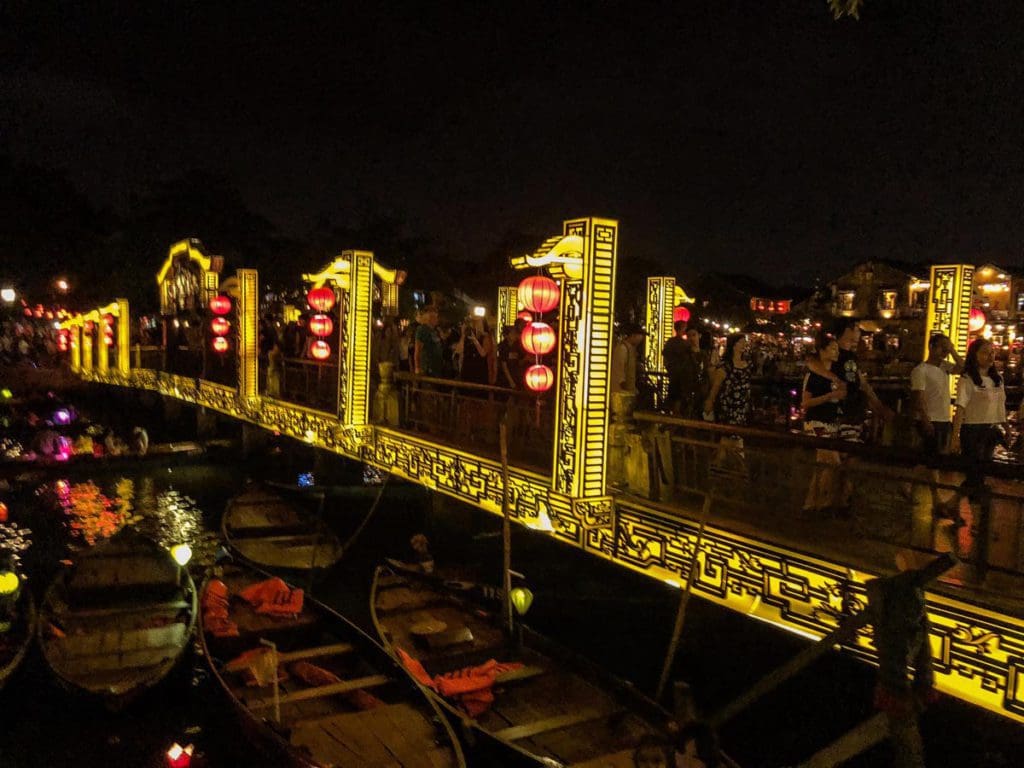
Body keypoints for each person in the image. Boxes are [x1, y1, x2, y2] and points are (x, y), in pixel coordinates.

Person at [806, 318, 893, 441]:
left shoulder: (850, 356)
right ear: (848, 330)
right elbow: (810, 362)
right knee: (832, 454)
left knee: (846, 453)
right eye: (857, 329)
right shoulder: (832, 353)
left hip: (850, 414)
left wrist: (878, 406)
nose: (860, 333)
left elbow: (861, 383)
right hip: (830, 414)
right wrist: (835, 379)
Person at [801, 330, 849, 514]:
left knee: (822, 464)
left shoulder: (834, 373)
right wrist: (830, 396)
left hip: (830, 421)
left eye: (837, 348)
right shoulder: (814, 375)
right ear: (822, 350)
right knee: (832, 462)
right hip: (816, 422)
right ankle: (823, 502)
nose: (837, 352)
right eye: (833, 348)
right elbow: (805, 403)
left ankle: (812, 502)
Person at [951, 338, 1007, 483]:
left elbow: (1000, 406)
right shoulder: (968, 379)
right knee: (974, 472)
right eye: (985, 353)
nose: (990, 356)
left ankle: (966, 500)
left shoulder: (997, 379)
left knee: (983, 471)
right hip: (973, 430)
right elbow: (960, 408)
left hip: (990, 429)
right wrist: (955, 436)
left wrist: (1006, 427)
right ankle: (973, 500)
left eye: (992, 353)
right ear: (974, 355)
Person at [910, 333, 963, 456]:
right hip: (930, 419)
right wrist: (925, 419)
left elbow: (963, 368)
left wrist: (952, 350)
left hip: (944, 418)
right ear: (931, 347)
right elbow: (919, 396)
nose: (945, 351)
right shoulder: (920, 370)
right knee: (930, 456)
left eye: (947, 347)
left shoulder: (944, 366)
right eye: (942, 347)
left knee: (941, 457)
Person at [704, 334, 751, 426]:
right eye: (741, 342)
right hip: (729, 403)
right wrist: (710, 400)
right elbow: (716, 385)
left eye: (744, 342)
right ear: (733, 345)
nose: (744, 345)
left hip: (742, 403)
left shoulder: (747, 363)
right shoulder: (726, 365)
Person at [458, 316, 496, 386]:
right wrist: (463, 335)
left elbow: (483, 353)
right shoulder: (470, 335)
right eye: (474, 323)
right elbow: (459, 351)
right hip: (467, 373)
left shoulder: (486, 337)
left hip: (480, 374)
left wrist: (475, 341)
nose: (476, 325)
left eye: (478, 323)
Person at [611, 323, 646, 395]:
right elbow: (619, 369)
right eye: (640, 335)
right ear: (633, 335)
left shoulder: (630, 349)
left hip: (627, 390)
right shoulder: (623, 349)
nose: (642, 338)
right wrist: (623, 384)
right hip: (621, 392)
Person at [413, 306, 443, 377]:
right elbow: (417, 350)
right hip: (427, 370)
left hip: (437, 369)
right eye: (434, 317)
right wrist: (417, 368)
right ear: (429, 318)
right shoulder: (422, 330)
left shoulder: (434, 331)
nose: (437, 319)